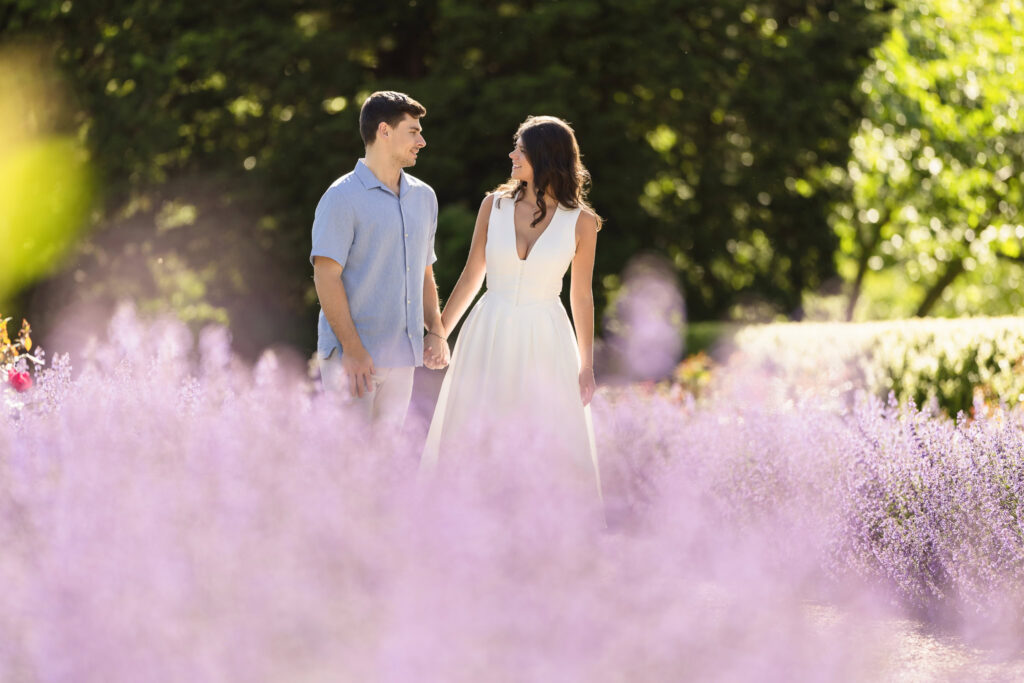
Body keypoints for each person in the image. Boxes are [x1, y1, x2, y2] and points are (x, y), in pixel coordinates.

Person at [419, 115, 602, 501]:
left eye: (520, 148)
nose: (511, 154)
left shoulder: (582, 222)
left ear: (545, 156)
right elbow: (472, 274)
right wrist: (439, 333)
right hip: (489, 331)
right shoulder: (494, 206)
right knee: (477, 431)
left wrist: (586, 365)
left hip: (546, 339)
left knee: (543, 438)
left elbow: (581, 296)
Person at [310, 91, 450, 429]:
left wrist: (437, 330)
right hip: (352, 358)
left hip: (403, 357)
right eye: (413, 131)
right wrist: (353, 350)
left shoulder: (424, 197)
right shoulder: (341, 197)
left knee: (385, 470)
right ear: (384, 131)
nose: (422, 141)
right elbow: (325, 277)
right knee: (349, 467)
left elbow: (424, 271)